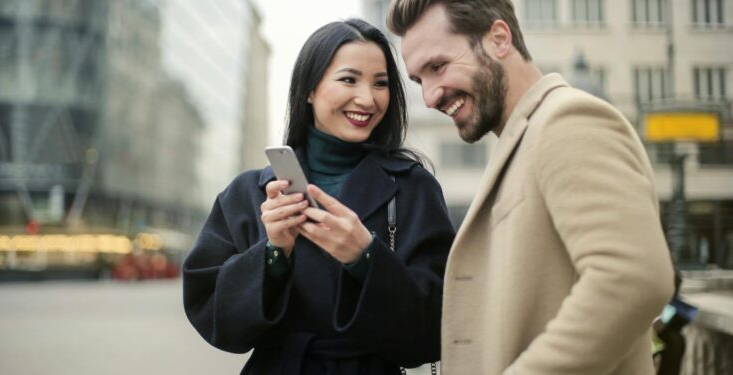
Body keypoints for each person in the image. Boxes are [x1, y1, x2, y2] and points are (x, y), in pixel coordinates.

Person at [386, 1, 675, 373]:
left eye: (438, 67)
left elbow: (634, 280)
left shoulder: (566, 121)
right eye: (419, 80)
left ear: (499, 38)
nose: (430, 96)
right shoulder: (524, 136)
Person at [183, 18, 455, 375]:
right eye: (348, 79)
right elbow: (214, 317)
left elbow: (439, 323)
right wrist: (273, 253)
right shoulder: (250, 192)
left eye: (381, 83)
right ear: (309, 89)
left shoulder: (413, 188)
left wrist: (366, 256)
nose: (367, 98)